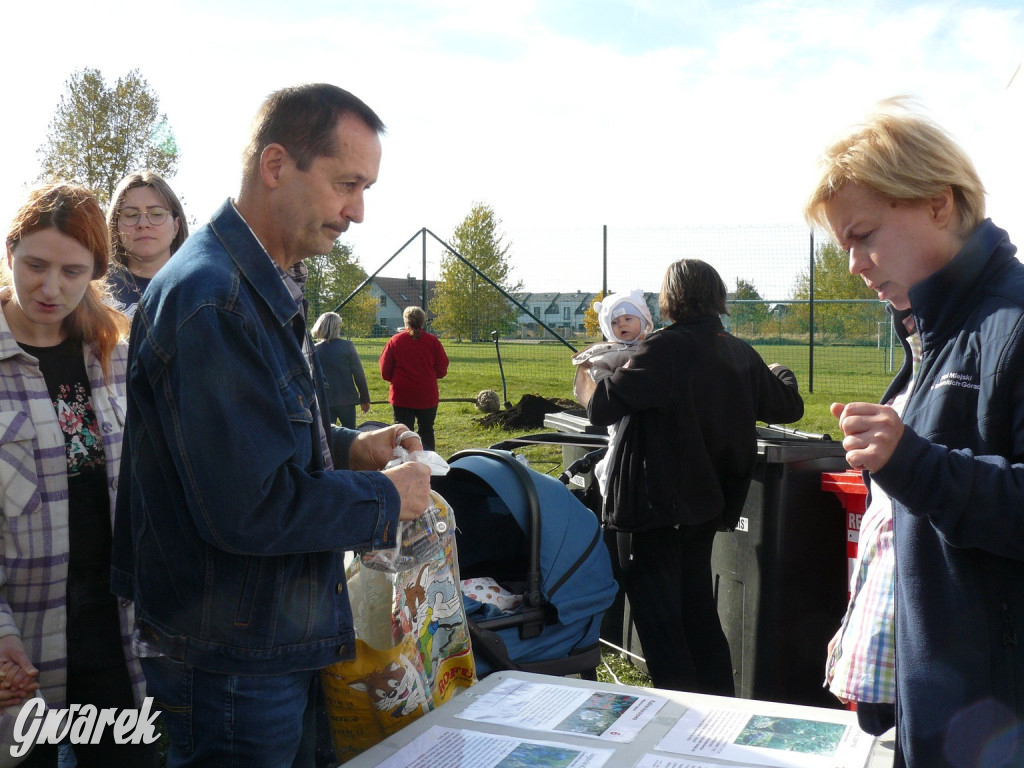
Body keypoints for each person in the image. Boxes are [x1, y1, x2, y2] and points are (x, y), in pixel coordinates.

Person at [110, 84, 433, 768]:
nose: (359, 212)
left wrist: (349, 449)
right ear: (277, 165)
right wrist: (387, 497)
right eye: (347, 184)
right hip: (234, 660)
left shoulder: (257, 282)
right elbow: (249, 507)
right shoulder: (214, 299)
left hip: (262, 644)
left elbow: (248, 444)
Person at [806, 98, 1024, 767]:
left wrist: (914, 462)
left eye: (864, 235)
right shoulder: (933, 333)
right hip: (942, 712)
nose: (854, 264)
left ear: (936, 203)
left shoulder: (1010, 324)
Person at [578, 259, 803, 694]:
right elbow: (787, 405)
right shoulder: (736, 350)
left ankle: (683, 723)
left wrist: (591, 367)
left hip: (650, 511)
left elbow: (599, 407)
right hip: (704, 508)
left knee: (664, 632)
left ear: (669, 299)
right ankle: (720, 711)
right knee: (699, 617)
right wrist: (778, 372)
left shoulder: (664, 349)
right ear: (716, 295)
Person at [0, 183, 156, 767]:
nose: (50, 287)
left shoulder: (116, 349)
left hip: (118, 634)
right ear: (9, 250)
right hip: (20, 643)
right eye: (34, 265)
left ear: (95, 270)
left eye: (72, 271)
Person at [571, 289, 654, 496]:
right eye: (615, 323)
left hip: (644, 412)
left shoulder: (652, 346)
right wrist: (616, 380)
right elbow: (598, 373)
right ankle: (608, 478)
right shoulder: (612, 352)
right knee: (618, 445)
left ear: (644, 320)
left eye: (628, 318)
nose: (622, 325)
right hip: (619, 412)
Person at [105, 171, 188, 318]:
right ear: (115, 227)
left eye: (156, 214)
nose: (143, 224)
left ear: (176, 227)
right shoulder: (95, 288)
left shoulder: (199, 286)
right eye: (131, 215)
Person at [379, 306, 449, 451]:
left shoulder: (395, 340)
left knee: (402, 433)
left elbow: (385, 370)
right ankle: (429, 462)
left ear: (405, 321)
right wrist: (428, 376)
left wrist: (396, 378)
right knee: (427, 430)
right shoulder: (433, 341)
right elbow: (442, 368)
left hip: (402, 394)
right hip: (426, 393)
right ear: (423, 322)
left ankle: (404, 463)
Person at [312, 311, 370, 428]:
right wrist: (364, 399)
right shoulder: (347, 346)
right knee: (350, 433)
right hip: (346, 399)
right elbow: (358, 374)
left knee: (327, 434)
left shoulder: (314, 350)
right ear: (336, 328)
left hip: (324, 399)